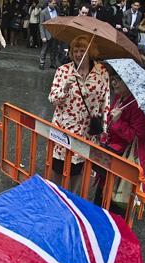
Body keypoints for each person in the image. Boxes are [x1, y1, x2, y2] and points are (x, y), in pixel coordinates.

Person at [48, 35, 110, 192]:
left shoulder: (102, 72)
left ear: (91, 51)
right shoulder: (63, 71)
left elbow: (105, 102)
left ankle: (72, 197)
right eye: (75, 50)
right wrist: (65, 88)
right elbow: (53, 99)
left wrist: (105, 127)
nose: (78, 54)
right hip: (63, 128)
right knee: (58, 166)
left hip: (87, 131)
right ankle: (56, 194)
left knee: (79, 167)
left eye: (83, 50)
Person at [94, 67, 145, 213]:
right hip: (111, 154)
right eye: (114, 79)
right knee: (101, 198)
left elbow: (136, 136)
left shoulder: (138, 106)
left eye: (120, 80)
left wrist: (118, 122)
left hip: (123, 160)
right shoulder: (120, 99)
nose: (115, 83)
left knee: (114, 202)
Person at [39, 0, 59, 70]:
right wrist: (43, 36)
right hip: (47, 34)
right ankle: (42, 63)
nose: (55, 5)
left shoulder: (57, 10)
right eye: (53, 3)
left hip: (55, 34)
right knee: (44, 49)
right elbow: (41, 25)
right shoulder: (43, 12)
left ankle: (53, 63)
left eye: (55, 3)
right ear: (49, 3)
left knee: (54, 50)